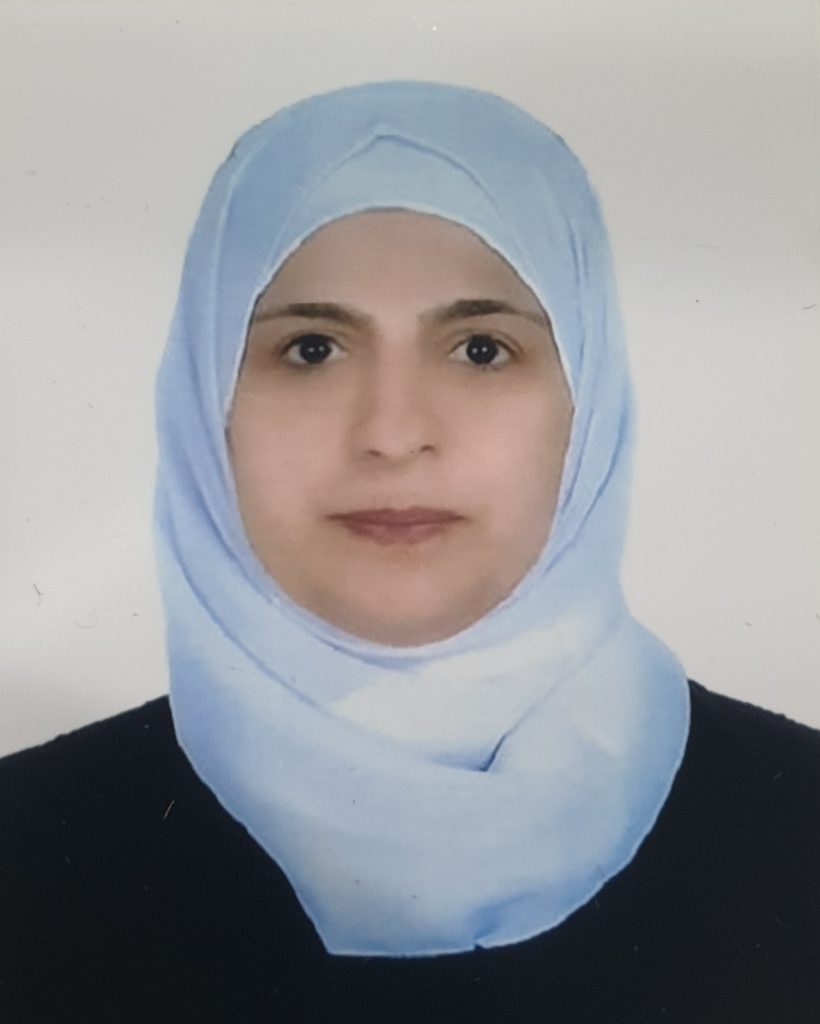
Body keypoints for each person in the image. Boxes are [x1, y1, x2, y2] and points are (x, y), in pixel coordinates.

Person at [1, 81, 818, 1023]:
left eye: (481, 349)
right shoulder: (28, 847)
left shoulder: (798, 825)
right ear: (205, 401)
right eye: (312, 349)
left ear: (587, 398)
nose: (392, 434)